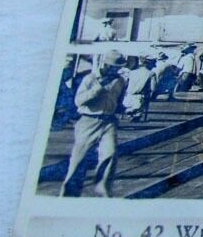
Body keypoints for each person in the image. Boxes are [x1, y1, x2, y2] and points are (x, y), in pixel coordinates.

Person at [60, 50, 128, 197]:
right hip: (88, 120)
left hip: (109, 121)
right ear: (105, 65)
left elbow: (119, 99)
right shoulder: (90, 79)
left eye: (118, 67)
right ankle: (69, 194)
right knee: (79, 158)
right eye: (113, 67)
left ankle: (102, 191)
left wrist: (120, 110)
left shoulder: (121, 81)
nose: (116, 70)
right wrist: (97, 89)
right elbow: (78, 101)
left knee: (110, 154)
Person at [121, 55, 156, 122]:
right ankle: (134, 114)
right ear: (148, 64)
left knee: (130, 111)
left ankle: (130, 112)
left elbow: (125, 84)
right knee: (137, 115)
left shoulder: (131, 72)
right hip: (140, 98)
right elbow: (153, 88)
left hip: (128, 98)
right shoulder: (151, 73)